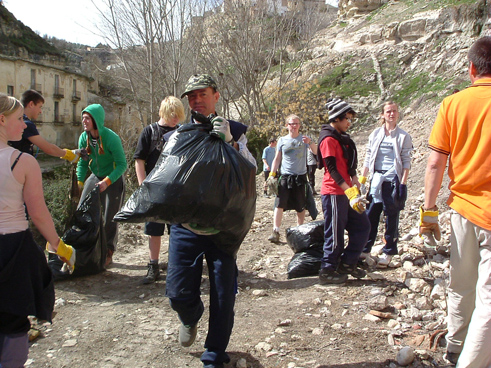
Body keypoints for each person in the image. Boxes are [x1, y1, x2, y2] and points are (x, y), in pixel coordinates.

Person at [166, 74, 256, 368]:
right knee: (178, 293)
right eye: (191, 96)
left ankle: (214, 354)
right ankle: (190, 315)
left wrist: (230, 142)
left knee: (223, 296)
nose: (196, 100)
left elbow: (252, 170)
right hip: (186, 227)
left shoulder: (236, 131)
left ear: (216, 95)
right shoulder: (179, 135)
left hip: (223, 230)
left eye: (202, 94)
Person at [421, 36, 491, 367]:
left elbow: (435, 163)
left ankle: (455, 347)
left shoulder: (452, 104)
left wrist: (429, 211)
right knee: (488, 299)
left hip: (462, 210)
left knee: (460, 286)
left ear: (472, 69)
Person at [0, 94, 75, 366]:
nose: (24, 125)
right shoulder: (22, 162)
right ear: (1, 119)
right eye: (19, 119)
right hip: (13, 249)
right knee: (14, 321)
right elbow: (39, 214)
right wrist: (58, 245)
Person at [317, 98, 370, 284]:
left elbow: (347, 166)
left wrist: (355, 182)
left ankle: (347, 263)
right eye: (347, 118)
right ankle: (327, 269)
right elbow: (332, 170)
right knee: (335, 234)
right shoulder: (328, 139)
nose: (349, 122)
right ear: (337, 118)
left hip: (348, 193)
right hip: (334, 193)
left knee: (363, 226)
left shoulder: (343, 139)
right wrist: (350, 193)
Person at [134, 96, 185, 284]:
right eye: (173, 115)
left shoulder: (181, 132)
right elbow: (139, 160)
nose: (176, 119)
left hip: (175, 190)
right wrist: (142, 187)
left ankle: (175, 266)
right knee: (154, 229)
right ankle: (153, 266)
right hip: (153, 190)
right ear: (164, 112)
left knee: (177, 230)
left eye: (179, 116)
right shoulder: (149, 132)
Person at [359, 101, 412, 268]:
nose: (391, 114)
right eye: (388, 111)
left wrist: (402, 184)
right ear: (382, 114)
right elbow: (369, 157)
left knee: (392, 216)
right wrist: (363, 178)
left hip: (392, 180)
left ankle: (389, 250)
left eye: (394, 111)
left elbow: (406, 162)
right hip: (376, 180)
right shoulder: (375, 134)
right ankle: (366, 249)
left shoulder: (403, 136)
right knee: (371, 214)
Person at [76, 104, 127, 267]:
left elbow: (122, 164)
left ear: (96, 120)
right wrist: (80, 180)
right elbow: (83, 163)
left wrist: (107, 182)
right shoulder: (84, 138)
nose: (84, 121)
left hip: (112, 178)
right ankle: (82, 249)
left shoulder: (112, 138)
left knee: (110, 218)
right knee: (82, 211)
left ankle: (108, 251)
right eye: (83, 117)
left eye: (87, 118)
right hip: (95, 176)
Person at [267, 114, 317, 243]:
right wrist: (272, 174)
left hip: (300, 177)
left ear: (299, 125)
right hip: (285, 176)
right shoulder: (282, 141)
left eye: (296, 124)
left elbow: (317, 152)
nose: (293, 126)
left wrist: (310, 142)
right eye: (291, 124)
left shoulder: (305, 139)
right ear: (286, 125)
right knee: (279, 204)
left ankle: (299, 231)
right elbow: (277, 159)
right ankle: (275, 231)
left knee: (300, 206)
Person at [9, 89, 83, 163]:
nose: (40, 111)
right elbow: (49, 148)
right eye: (40, 107)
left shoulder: (15, 120)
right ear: (31, 104)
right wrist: (70, 155)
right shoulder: (27, 124)